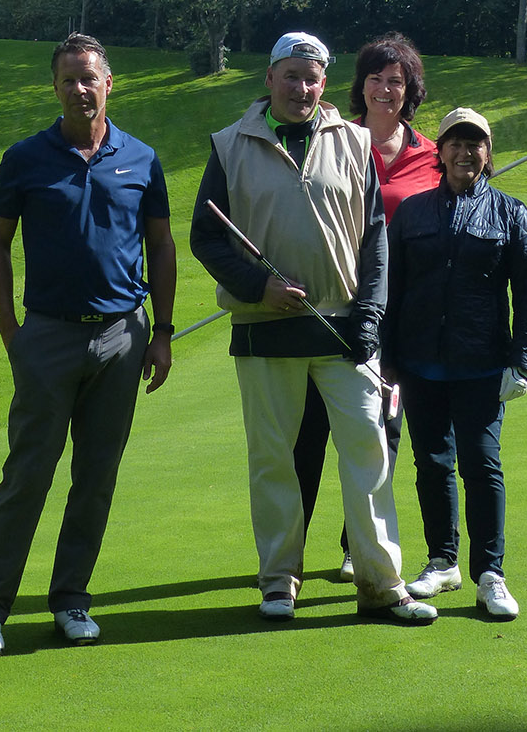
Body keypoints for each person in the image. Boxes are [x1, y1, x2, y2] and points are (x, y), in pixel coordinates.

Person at [190, 31, 437, 626]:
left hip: (345, 329)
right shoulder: (230, 144)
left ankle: (382, 584)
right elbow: (207, 237)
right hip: (264, 329)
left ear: (325, 84)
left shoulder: (353, 140)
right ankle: (279, 581)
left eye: (312, 78)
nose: (301, 88)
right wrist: (259, 286)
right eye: (291, 76)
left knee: (369, 452)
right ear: (270, 78)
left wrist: (370, 313)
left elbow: (375, 236)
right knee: (273, 460)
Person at [0, 34, 177, 654]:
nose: (79, 89)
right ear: (55, 88)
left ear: (109, 83)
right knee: (28, 474)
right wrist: (11, 331)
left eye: (89, 78)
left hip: (122, 336)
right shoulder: (26, 159)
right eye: (68, 80)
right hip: (49, 335)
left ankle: (70, 599)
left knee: (96, 477)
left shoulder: (141, 158)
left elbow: (161, 245)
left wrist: (163, 332)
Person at [384, 107, 527, 619]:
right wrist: (386, 356)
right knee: (432, 464)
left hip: (482, 364)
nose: (464, 152)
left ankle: (490, 574)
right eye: (455, 143)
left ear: (487, 153)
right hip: (420, 363)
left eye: (474, 144)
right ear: (441, 151)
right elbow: (391, 287)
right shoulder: (412, 212)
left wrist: (524, 361)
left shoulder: (510, 213)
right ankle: (443, 561)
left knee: (482, 464)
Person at [293, 33, 440, 582]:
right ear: (361, 86)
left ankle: (359, 546)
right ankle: (288, 555)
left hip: (400, 316)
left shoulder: (431, 156)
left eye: (396, 81)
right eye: (375, 78)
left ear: (410, 90)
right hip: (330, 307)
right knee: (308, 435)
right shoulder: (332, 142)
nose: (384, 89)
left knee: (380, 436)